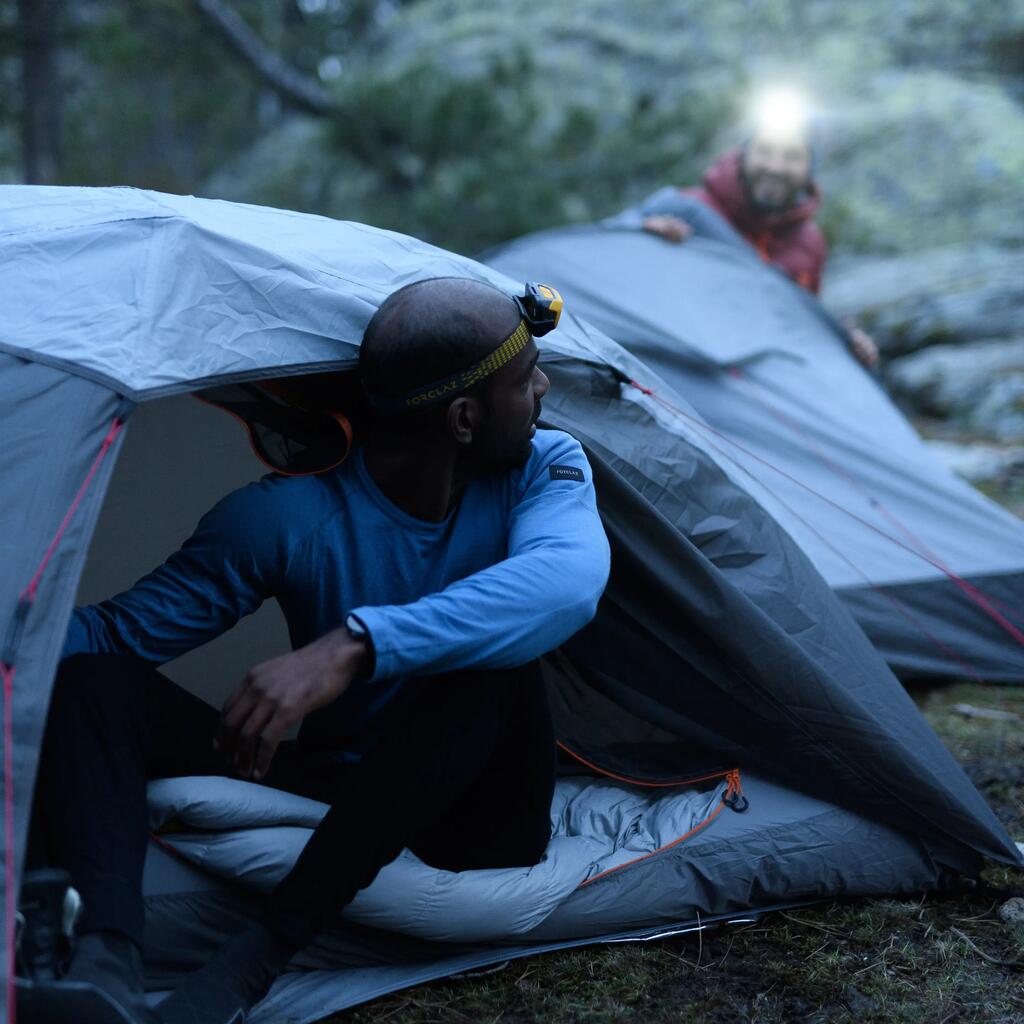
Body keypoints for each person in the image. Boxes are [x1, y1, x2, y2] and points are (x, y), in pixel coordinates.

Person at [30, 277, 611, 1024]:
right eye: (524, 378)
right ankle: (104, 963)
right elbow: (115, 635)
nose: (544, 387)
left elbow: (566, 585)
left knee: (493, 671)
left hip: (479, 816)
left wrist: (354, 647)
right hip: (343, 786)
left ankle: (251, 963)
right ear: (465, 418)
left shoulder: (546, 466)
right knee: (91, 681)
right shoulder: (289, 517)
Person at [643, 117, 880, 370]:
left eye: (792, 156)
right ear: (743, 154)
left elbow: (797, 327)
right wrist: (643, 240)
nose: (775, 167)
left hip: (757, 387)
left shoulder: (810, 245)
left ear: (810, 166)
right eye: (764, 151)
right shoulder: (684, 210)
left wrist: (844, 342)